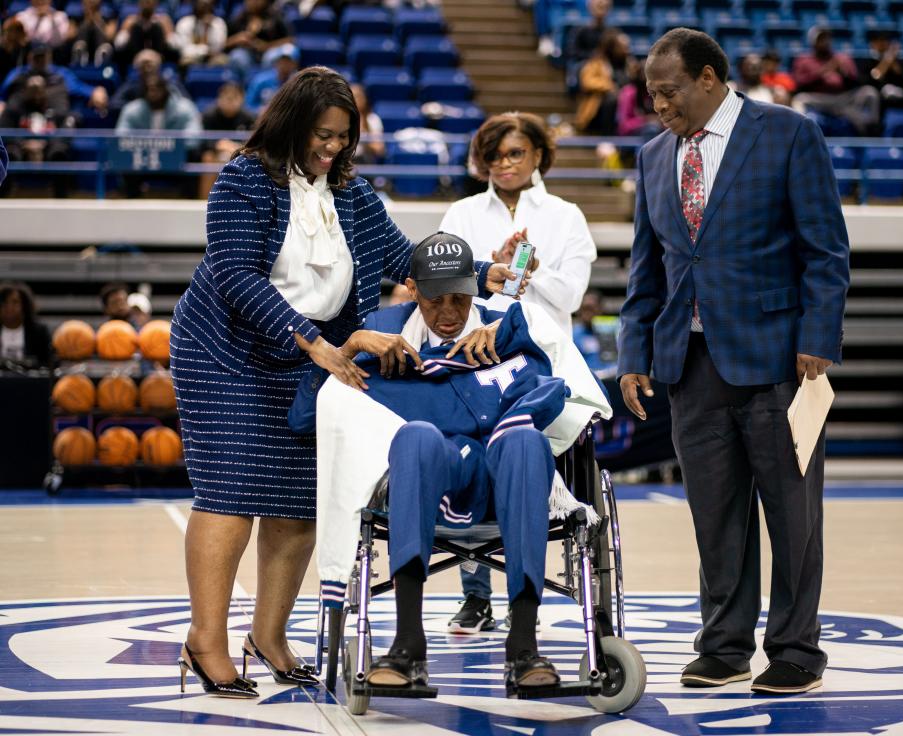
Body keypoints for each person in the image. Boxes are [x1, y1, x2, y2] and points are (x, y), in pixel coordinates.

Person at [169, 66, 519, 698]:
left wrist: (483, 270)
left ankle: (269, 636)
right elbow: (236, 277)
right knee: (231, 493)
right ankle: (206, 642)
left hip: (318, 356)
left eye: (342, 138)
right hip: (227, 353)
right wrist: (317, 344)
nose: (331, 149)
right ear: (293, 124)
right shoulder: (243, 180)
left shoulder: (353, 196)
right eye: (321, 136)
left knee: (301, 498)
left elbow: (404, 258)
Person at [618, 28, 849, 695]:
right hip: (689, 364)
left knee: (793, 516)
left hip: (780, 360)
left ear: (711, 79)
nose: (658, 105)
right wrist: (636, 352)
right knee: (715, 516)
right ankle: (722, 645)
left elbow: (826, 250)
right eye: (651, 94)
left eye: (668, 92)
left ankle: (797, 650)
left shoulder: (786, 134)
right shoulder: (654, 155)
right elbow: (649, 267)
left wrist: (818, 335)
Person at [287, 232, 611, 690]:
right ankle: (407, 645)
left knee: (525, 442)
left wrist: (515, 330)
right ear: (412, 289)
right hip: (428, 475)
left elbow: (564, 388)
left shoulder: (510, 325)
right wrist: (347, 347)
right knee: (416, 436)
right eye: (435, 300)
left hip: (508, 472)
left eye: (460, 299)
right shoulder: (382, 331)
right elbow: (305, 419)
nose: (448, 314)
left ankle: (523, 648)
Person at [438, 111, 596, 633]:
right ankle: (475, 595)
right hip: (473, 352)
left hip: (542, 357)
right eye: (494, 155)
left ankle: (522, 592)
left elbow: (570, 295)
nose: (504, 164)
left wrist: (529, 268)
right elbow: (446, 285)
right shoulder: (461, 212)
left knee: (525, 457)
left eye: (516, 153)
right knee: (471, 455)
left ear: (538, 157)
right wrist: (490, 269)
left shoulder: (565, 215)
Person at [791, 26, 880, 134]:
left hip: (844, 98)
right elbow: (799, 84)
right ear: (813, 42)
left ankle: (873, 128)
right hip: (820, 99)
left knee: (869, 92)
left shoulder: (842, 58)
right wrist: (823, 71)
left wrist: (842, 72)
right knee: (799, 99)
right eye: (820, 39)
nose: (824, 42)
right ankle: (801, 132)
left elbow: (855, 82)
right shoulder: (804, 60)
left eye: (826, 39)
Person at [198, 80, 255, 198]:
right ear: (219, 98)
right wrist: (219, 146)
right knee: (207, 158)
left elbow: (253, 143)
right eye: (226, 97)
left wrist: (232, 147)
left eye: (234, 98)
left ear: (242, 99)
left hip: (240, 155)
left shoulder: (249, 118)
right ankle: (205, 200)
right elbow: (204, 142)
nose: (230, 101)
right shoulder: (209, 116)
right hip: (215, 154)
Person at [575, 29, 631, 135]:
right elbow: (587, 82)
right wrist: (610, 86)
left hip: (625, 102)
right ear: (612, 47)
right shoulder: (597, 63)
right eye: (622, 47)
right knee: (612, 98)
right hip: (599, 108)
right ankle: (607, 135)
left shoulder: (629, 63)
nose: (626, 50)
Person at [856, 30, 903, 110]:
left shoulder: (895, 61)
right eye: (880, 41)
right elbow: (876, 76)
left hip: (897, 95)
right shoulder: (868, 61)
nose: (883, 44)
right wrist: (888, 59)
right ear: (873, 43)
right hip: (877, 97)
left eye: (885, 41)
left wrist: (892, 62)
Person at [0, 281, 51, 368]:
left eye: (15, 302)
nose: (9, 307)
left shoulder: (39, 332)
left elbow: (48, 364)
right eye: (4, 303)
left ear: (25, 305)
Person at [244, 42, 299, 114]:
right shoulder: (261, 80)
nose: (284, 64)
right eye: (282, 60)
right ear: (277, 62)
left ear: (295, 64)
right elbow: (247, 105)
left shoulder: (298, 83)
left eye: (288, 61)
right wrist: (259, 111)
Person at [173, 0, 228, 67]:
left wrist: (207, 30)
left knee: (222, 60)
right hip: (192, 57)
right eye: (201, 3)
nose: (204, 7)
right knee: (186, 61)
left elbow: (218, 48)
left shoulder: (219, 23)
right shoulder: (184, 23)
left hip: (212, 58)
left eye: (207, 4)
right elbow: (184, 50)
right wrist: (204, 51)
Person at [69, 0, 116, 67]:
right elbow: (70, 35)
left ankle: (102, 55)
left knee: (104, 44)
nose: (91, 2)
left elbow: (110, 36)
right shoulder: (76, 16)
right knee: (85, 28)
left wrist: (98, 21)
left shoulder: (108, 17)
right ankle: (80, 52)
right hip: (82, 46)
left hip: (100, 46)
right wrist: (86, 20)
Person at [350, 82, 384, 164]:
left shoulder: (373, 119)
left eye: (358, 97)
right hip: (345, 162)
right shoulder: (340, 119)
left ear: (364, 99)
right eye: (351, 97)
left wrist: (364, 136)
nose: (355, 100)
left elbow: (380, 149)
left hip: (365, 161)